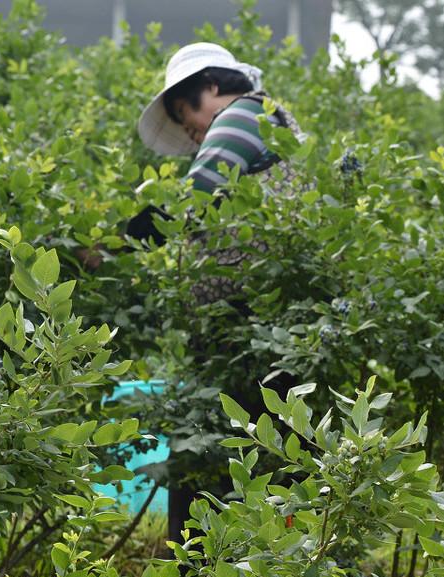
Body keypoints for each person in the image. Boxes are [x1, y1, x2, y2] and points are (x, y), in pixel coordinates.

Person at [134, 43, 305, 541]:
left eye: (188, 115)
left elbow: (190, 203)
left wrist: (113, 246)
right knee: (270, 460)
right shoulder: (270, 122)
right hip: (265, 329)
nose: (192, 131)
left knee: (202, 456)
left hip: (246, 327)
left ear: (212, 85)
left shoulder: (244, 113)